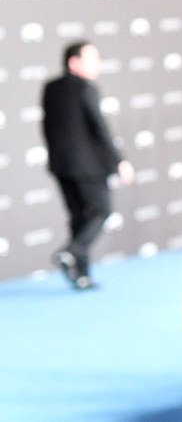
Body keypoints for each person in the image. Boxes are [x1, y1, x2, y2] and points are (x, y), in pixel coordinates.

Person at [41, 41, 134, 290]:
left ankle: (81, 275)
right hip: (89, 167)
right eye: (91, 59)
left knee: (78, 218)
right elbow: (100, 128)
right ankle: (72, 252)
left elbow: (48, 128)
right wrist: (119, 161)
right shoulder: (86, 89)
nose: (98, 65)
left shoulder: (50, 88)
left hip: (61, 166)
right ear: (74, 62)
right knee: (100, 211)